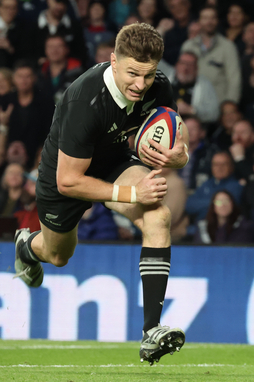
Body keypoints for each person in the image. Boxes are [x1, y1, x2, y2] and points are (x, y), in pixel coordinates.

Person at [12, 23, 189, 365]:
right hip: (64, 176)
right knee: (59, 255)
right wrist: (133, 193)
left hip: (114, 160)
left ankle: (151, 333)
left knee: (159, 215)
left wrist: (179, 156)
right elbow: (70, 181)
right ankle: (27, 247)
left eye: (149, 75)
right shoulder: (85, 100)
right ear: (113, 61)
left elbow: (178, 143)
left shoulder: (159, 86)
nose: (141, 84)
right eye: (133, 74)